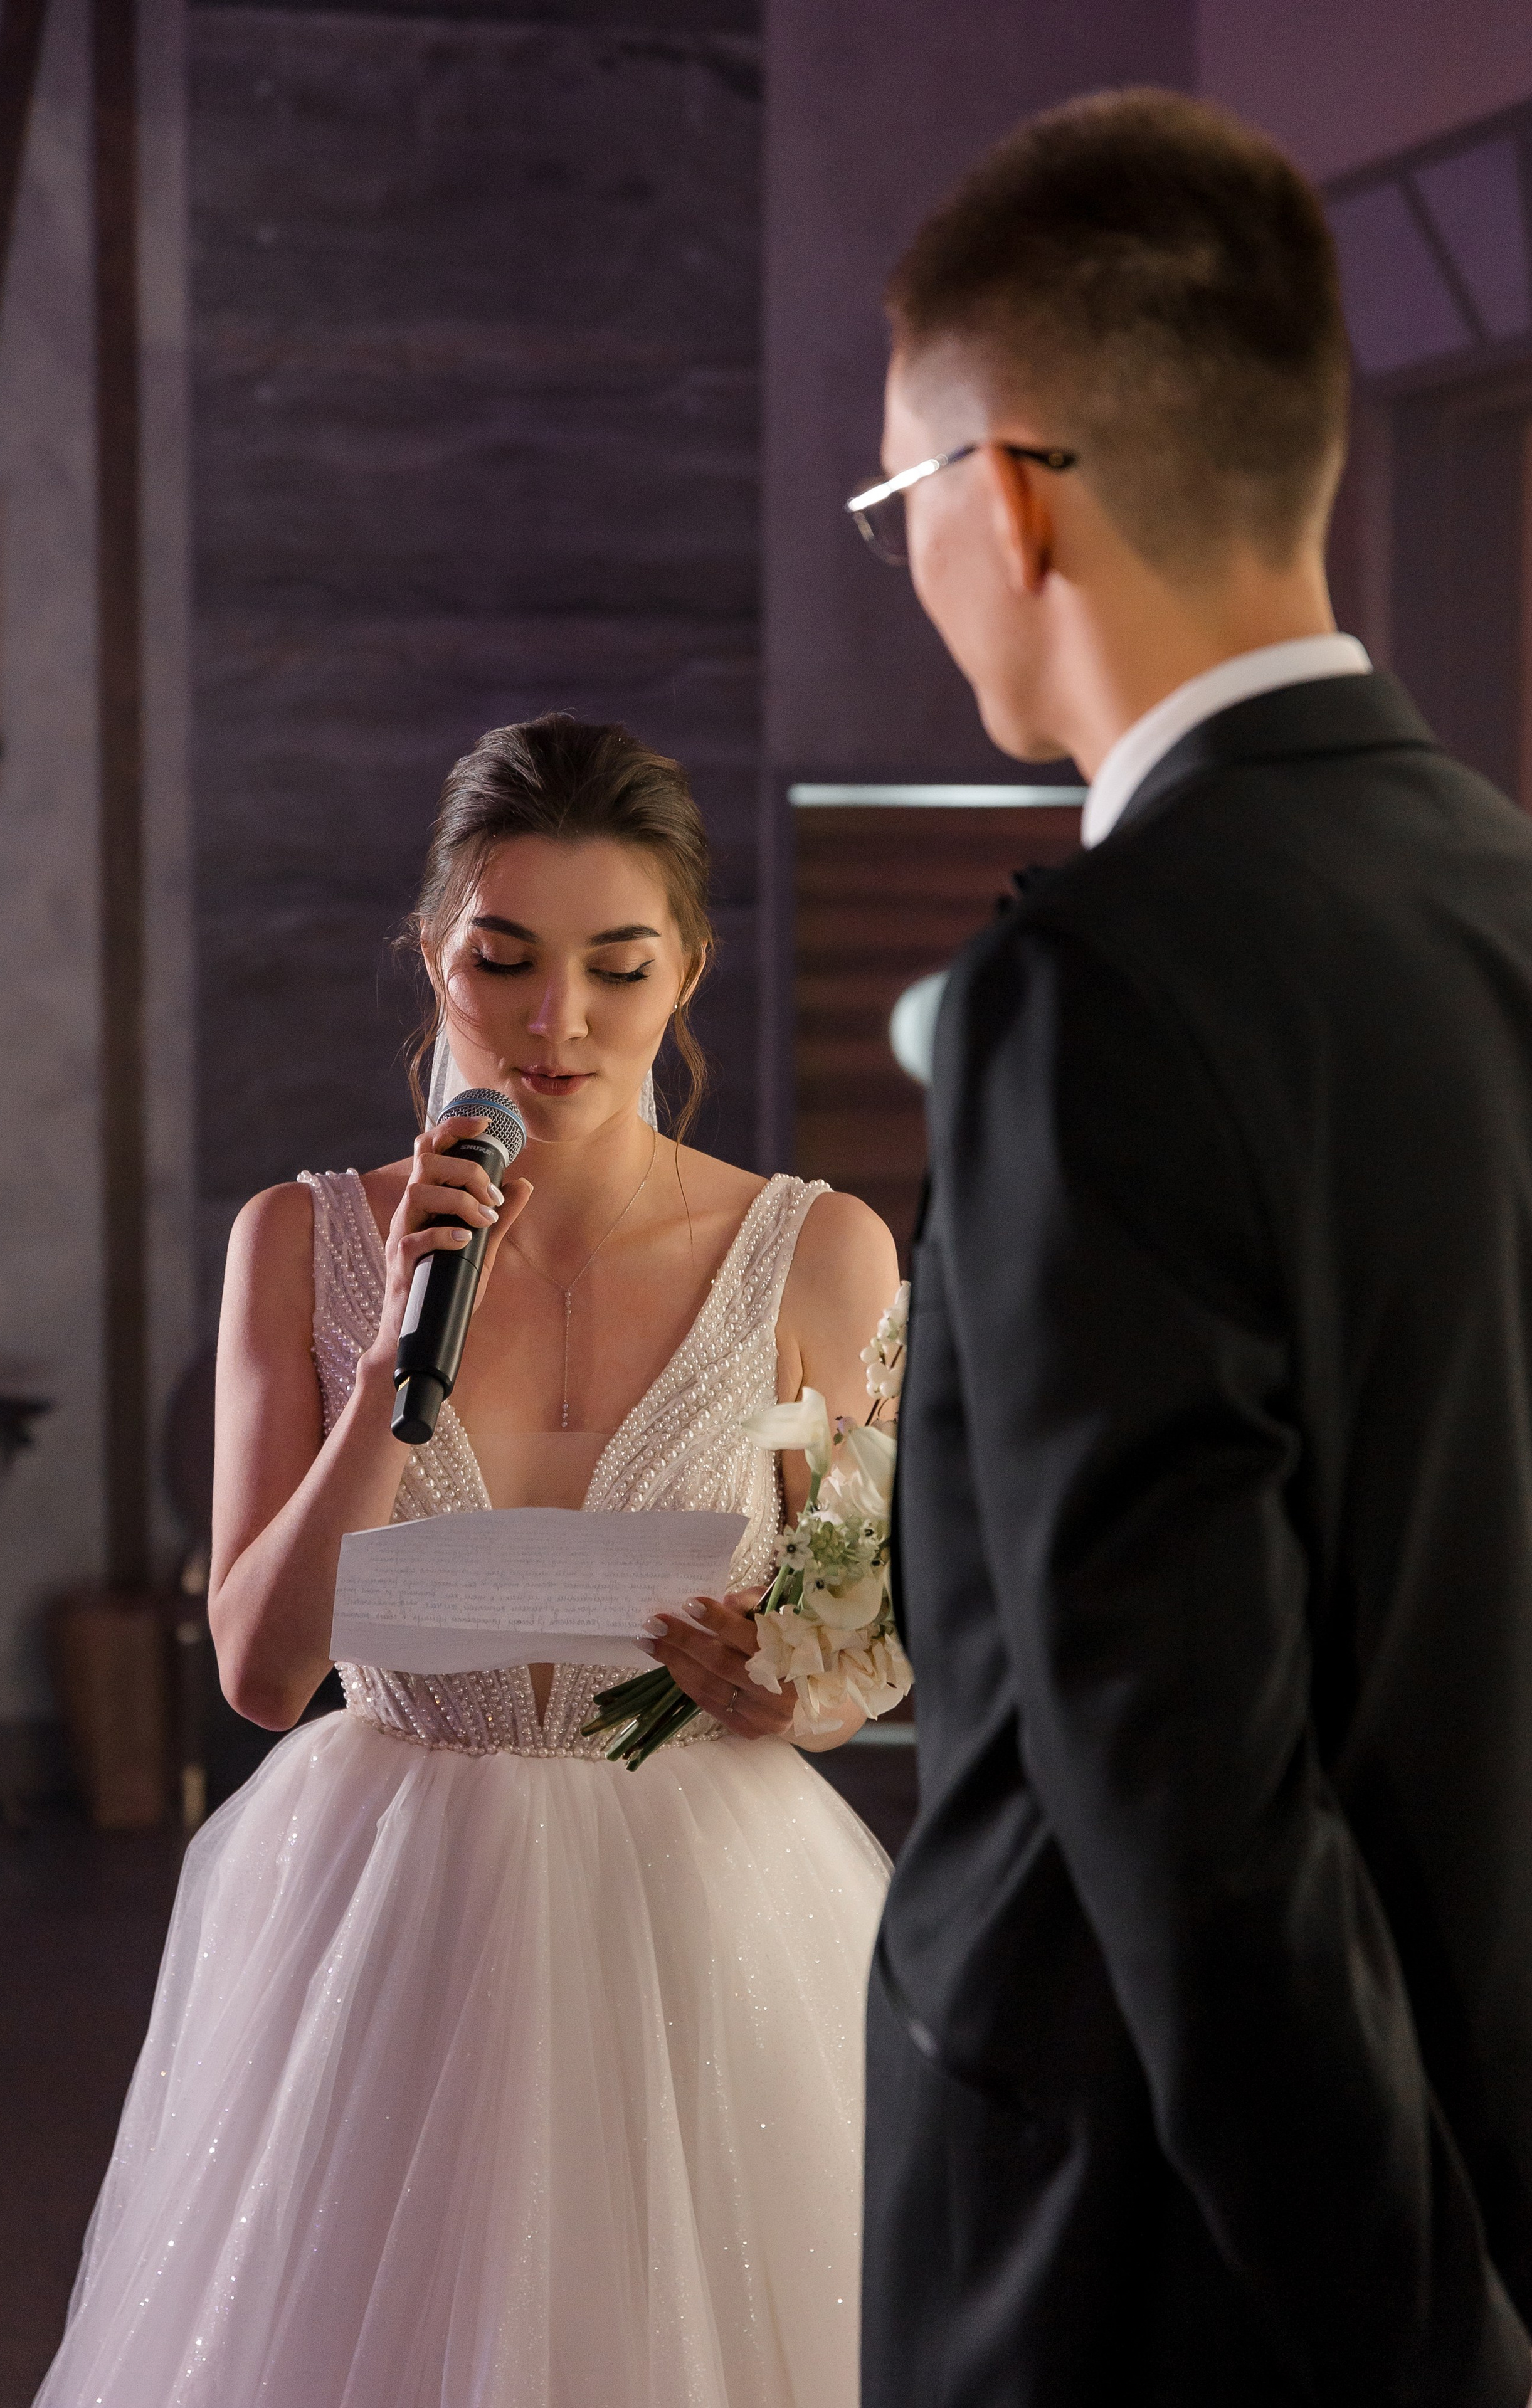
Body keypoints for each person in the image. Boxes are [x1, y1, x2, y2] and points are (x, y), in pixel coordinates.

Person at [859, 90, 1532, 2408]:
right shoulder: (1508, 902)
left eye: (898, 500)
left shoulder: (1094, 988)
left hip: (1176, 2276)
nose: (914, 557)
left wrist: (1434, 2359)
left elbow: (1190, 1815)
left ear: (1011, 497)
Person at [36, 714, 899, 2408]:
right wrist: (388, 1371)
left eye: (617, 968)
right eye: (503, 959)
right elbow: (262, 1674)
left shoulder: (819, 1252)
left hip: (711, 1917)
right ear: (433, 952)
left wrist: (789, 1695)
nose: (556, 1020)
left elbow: (864, 1647)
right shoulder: (302, 1239)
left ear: (688, 972)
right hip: (390, 1906)